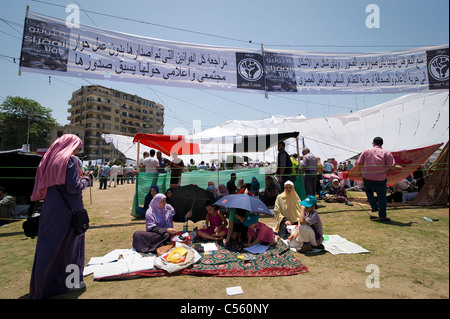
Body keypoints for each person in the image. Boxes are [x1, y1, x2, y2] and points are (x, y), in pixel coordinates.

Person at [29, 134, 92, 299]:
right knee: (71, 248)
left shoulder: (50, 161)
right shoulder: (69, 161)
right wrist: (87, 179)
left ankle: (43, 285)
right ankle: (72, 283)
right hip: (69, 210)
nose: (78, 150)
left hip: (52, 208)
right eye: (78, 147)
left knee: (49, 247)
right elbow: (73, 187)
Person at [356, 137, 396, 221]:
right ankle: (382, 215)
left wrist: (360, 173)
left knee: (368, 191)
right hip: (380, 178)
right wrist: (384, 169)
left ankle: (374, 207)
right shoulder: (387, 153)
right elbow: (391, 167)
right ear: (382, 144)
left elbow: (359, 164)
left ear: (373, 143)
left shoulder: (366, 151)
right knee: (382, 196)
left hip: (367, 176)